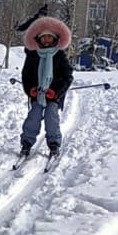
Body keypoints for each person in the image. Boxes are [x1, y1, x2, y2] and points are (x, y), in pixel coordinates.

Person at [19, 16, 73, 157]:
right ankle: (26, 142)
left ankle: (54, 143)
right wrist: (30, 89)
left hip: (54, 95)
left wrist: (55, 92)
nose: (46, 40)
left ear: (55, 39)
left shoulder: (60, 56)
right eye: (43, 37)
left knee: (51, 115)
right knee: (34, 115)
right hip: (37, 94)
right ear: (38, 39)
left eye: (50, 37)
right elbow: (26, 75)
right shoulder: (32, 55)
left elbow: (67, 77)